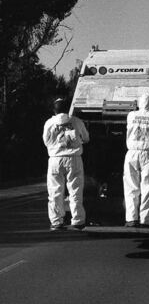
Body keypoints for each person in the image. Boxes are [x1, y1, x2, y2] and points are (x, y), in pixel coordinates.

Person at [42, 98, 89, 231]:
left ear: (54, 110)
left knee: (55, 191)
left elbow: (46, 141)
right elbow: (86, 138)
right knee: (75, 190)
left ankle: (56, 221)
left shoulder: (49, 123)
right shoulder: (76, 121)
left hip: (55, 159)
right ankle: (78, 220)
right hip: (74, 159)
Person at [123, 92, 149, 227]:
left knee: (131, 187)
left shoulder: (131, 115)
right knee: (148, 186)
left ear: (140, 102)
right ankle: (145, 219)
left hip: (132, 153)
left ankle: (131, 218)